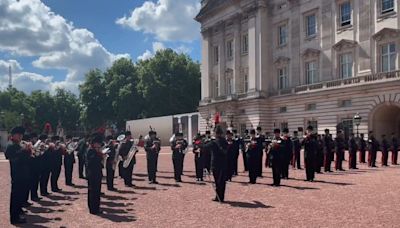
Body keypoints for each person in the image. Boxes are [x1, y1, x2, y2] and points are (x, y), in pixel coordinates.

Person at [5, 126, 30, 224]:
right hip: (17, 175)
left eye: (21, 135)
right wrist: (24, 150)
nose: (20, 136)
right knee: (15, 197)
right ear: (13, 135)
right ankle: (14, 218)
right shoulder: (10, 145)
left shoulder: (19, 145)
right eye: (18, 134)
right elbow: (12, 157)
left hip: (23, 174)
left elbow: (25, 159)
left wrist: (28, 151)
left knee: (20, 196)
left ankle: (18, 212)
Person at [202, 125, 228, 202]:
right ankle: (221, 196)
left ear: (216, 133)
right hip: (223, 164)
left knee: (217, 181)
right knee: (222, 181)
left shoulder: (213, 142)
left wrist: (204, 140)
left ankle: (218, 197)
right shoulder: (225, 141)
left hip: (215, 164)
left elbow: (204, 147)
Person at [86, 133, 105, 215]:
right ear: (94, 143)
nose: (99, 145)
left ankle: (96, 207)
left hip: (97, 173)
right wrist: (99, 155)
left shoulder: (95, 150)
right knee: (93, 191)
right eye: (98, 143)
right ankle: (93, 209)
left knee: (97, 191)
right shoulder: (91, 150)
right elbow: (90, 162)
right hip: (92, 174)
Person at [29, 133, 42, 202]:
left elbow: (38, 154)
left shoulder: (37, 145)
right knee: (32, 182)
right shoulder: (30, 145)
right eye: (34, 138)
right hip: (32, 167)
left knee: (36, 182)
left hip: (37, 166)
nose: (35, 139)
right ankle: (32, 196)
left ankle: (35, 195)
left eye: (36, 138)